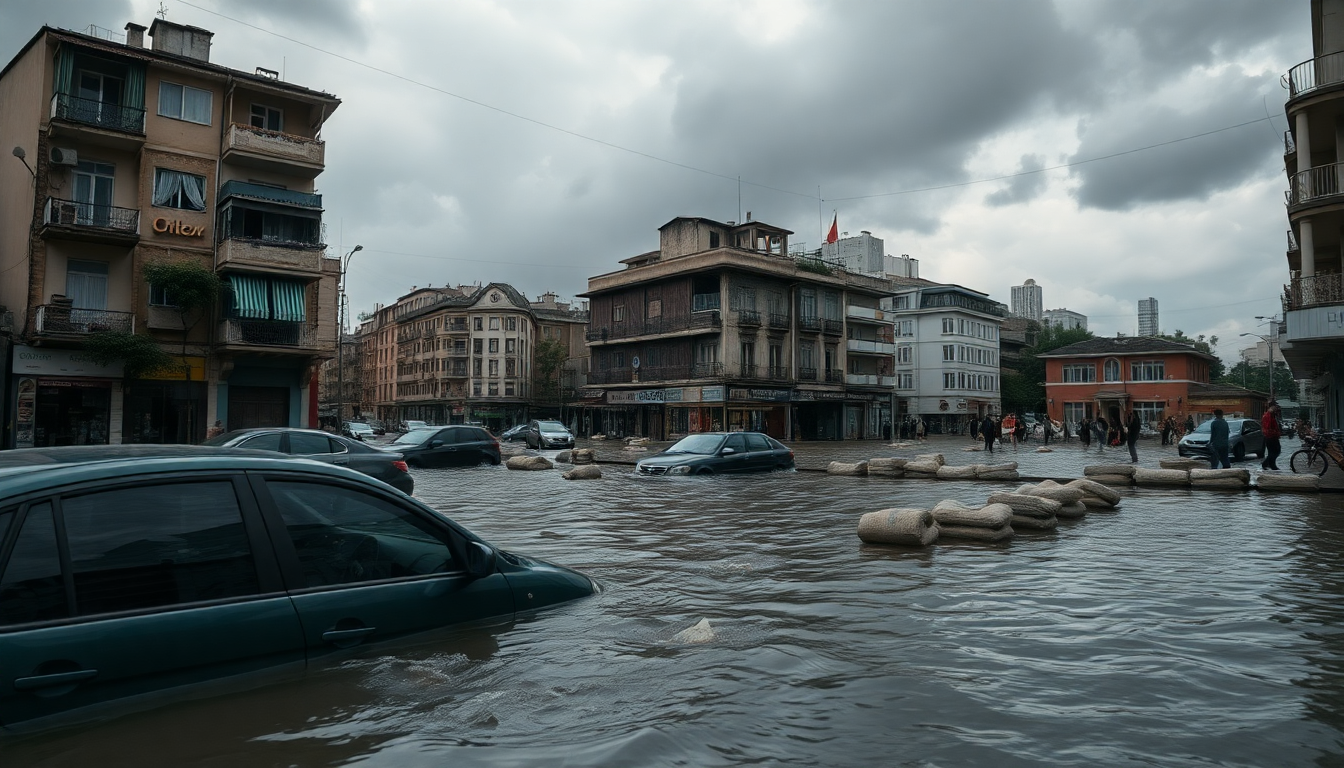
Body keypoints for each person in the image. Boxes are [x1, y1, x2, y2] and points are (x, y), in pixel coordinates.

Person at [1261, 402, 1282, 471]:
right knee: (1274, 451)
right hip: (1270, 436)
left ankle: (1269, 464)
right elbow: (1268, 427)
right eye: (1274, 407)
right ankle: (1268, 464)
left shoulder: (1272, 415)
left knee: (1275, 451)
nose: (1275, 408)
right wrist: (1274, 432)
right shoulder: (1268, 416)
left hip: (1273, 436)